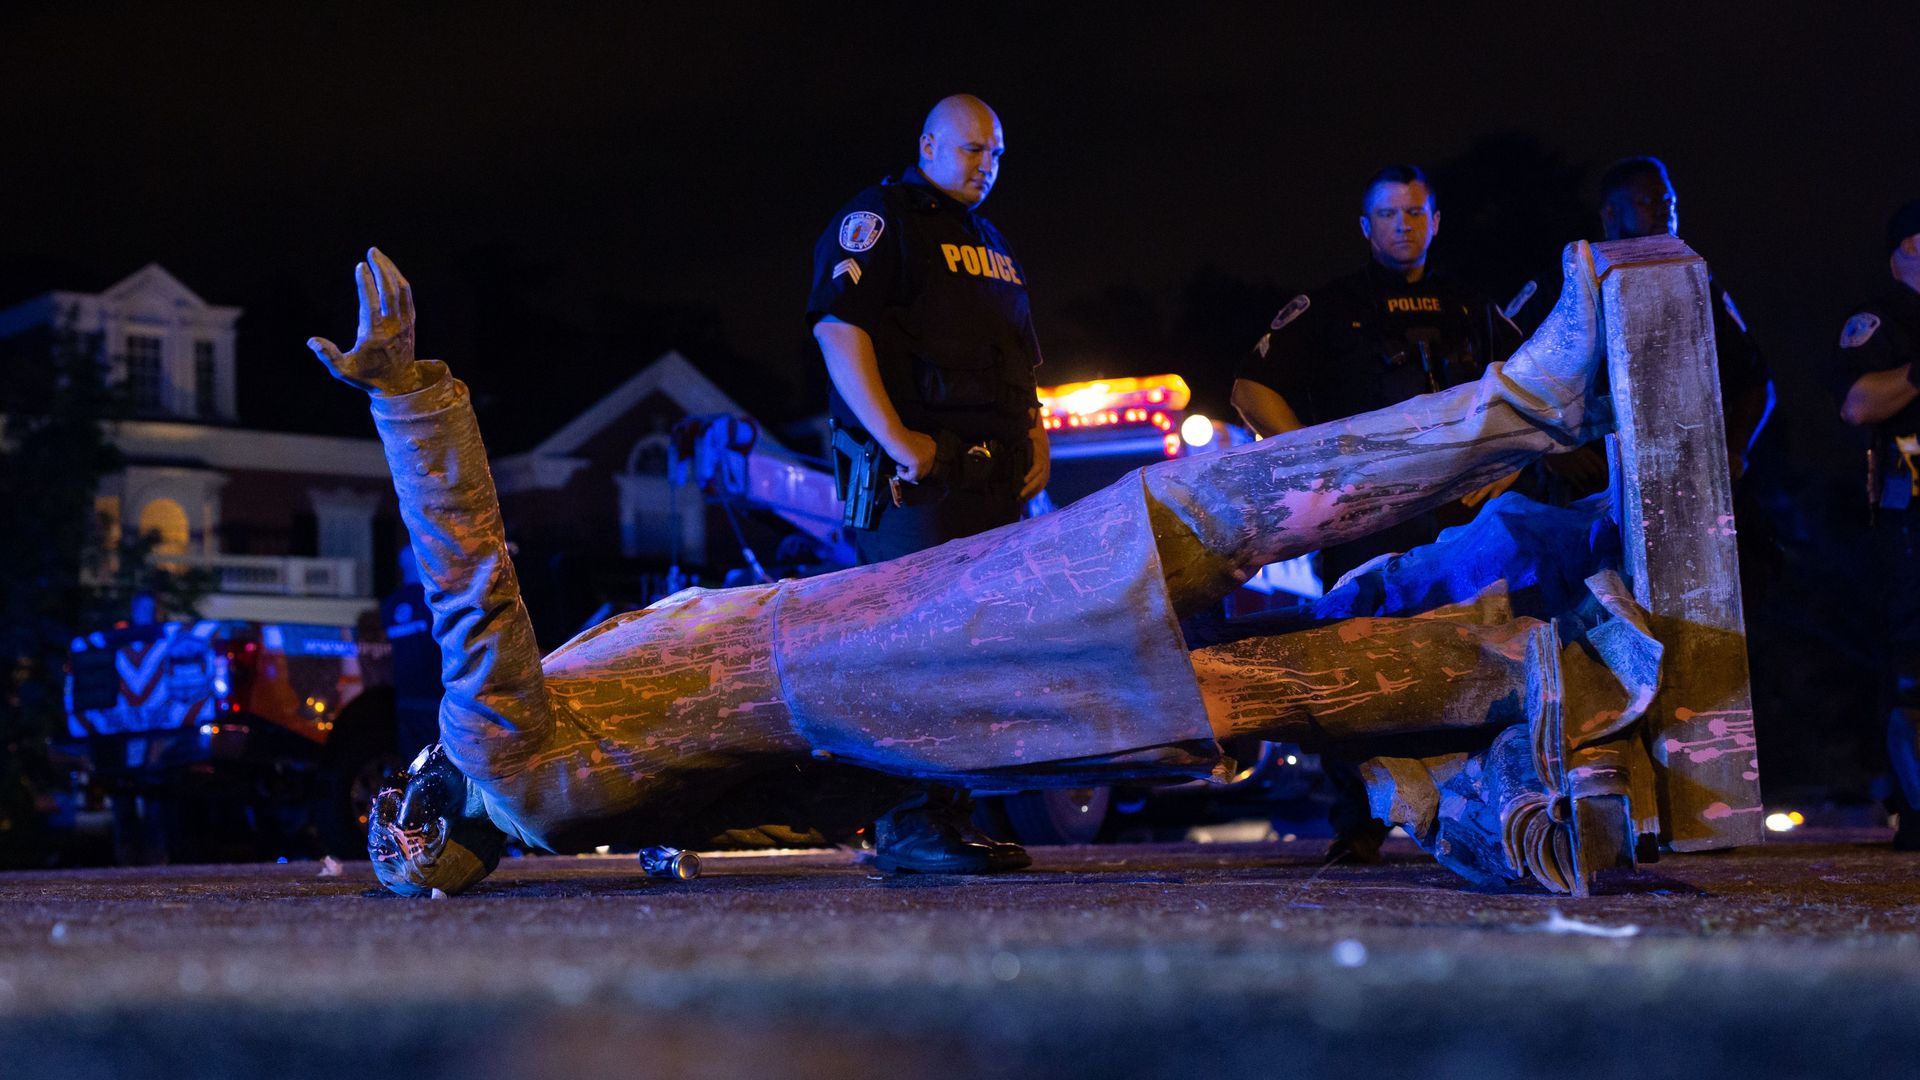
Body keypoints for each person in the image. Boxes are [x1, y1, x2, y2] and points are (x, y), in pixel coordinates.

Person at [309, 243, 1617, 899]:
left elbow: (752, 802)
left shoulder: (550, 796)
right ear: (433, 801)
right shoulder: (500, 757)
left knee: (1221, 690)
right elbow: (468, 585)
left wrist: (904, 816)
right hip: (850, 648)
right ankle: (1527, 409)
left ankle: (1526, 661)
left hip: (857, 690)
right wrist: (409, 398)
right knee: (1185, 523)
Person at [1229, 165, 1523, 861]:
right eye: (1389, 214)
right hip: (1364, 523)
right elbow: (1249, 390)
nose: (1403, 226)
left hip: (1457, 526)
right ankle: (1359, 822)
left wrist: (1505, 466)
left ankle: (1478, 815)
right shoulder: (1331, 307)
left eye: (1415, 213)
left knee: (1471, 662)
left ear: (1436, 221)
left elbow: (1534, 392)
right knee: (1353, 668)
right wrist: (1316, 465)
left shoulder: (1471, 307)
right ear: (1366, 226)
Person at [806, 94, 1050, 873]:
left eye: (997, 153)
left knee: (974, 652)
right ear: (928, 145)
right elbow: (838, 328)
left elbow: (1019, 356)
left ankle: (946, 818)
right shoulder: (881, 219)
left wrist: (1036, 435)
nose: (987, 166)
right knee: (915, 649)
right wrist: (896, 439)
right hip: (915, 483)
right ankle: (909, 825)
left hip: (987, 480)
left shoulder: (990, 241)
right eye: (973, 149)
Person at [1836, 199, 1920, 849]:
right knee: (1912, 671)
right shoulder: (1881, 319)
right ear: (1905, 252)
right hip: (1910, 519)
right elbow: (1858, 404)